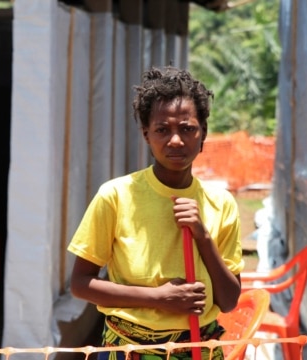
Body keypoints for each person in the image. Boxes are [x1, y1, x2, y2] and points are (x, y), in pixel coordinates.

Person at [67, 66, 243, 360]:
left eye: (187, 128)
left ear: (203, 134)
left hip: (200, 348)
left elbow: (228, 301)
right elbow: (81, 284)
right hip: (128, 348)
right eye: (163, 130)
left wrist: (203, 236)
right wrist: (159, 299)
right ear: (147, 135)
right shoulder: (116, 196)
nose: (175, 140)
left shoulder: (220, 203)